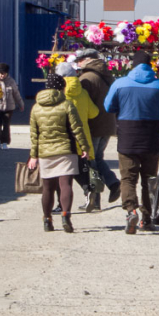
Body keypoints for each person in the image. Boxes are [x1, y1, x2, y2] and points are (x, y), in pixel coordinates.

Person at [104, 50, 159, 234]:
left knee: (128, 178)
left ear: (132, 65)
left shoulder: (120, 84)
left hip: (127, 136)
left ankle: (130, 211)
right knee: (149, 180)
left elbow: (108, 106)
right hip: (152, 137)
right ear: (150, 65)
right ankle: (147, 219)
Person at [28, 73, 90, 233]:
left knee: (47, 188)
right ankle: (65, 215)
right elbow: (77, 129)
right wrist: (84, 147)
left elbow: (34, 134)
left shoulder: (36, 107)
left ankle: (47, 219)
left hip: (45, 152)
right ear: (62, 88)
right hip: (66, 150)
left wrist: (33, 155)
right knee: (65, 185)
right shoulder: (67, 105)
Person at [76, 48, 120, 210]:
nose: (78, 63)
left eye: (80, 60)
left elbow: (83, 105)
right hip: (108, 123)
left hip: (93, 125)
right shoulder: (107, 75)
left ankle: (106, 189)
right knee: (97, 159)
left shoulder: (86, 78)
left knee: (90, 162)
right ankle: (107, 189)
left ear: (88, 59)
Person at [55, 61, 99, 214]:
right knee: (80, 170)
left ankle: (61, 205)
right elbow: (94, 112)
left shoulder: (59, 93)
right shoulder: (82, 92)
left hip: (64, 139)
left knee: (62, 174)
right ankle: (88, 191)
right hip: (82, 138)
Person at [0, 63, 24, 150]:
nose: (2, 75)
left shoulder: (11, 81)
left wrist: (21, 104)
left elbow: (16, 94)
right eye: (1, 73)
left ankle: (5, 142)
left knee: (6, 125)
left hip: (8, 108)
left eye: (4, 74)